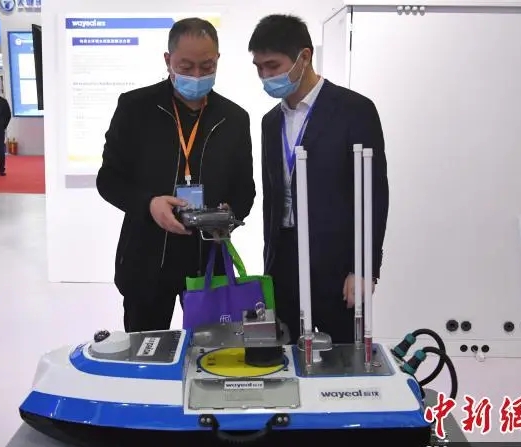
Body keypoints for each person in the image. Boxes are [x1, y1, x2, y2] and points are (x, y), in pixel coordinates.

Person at [97, 17, 256, 333]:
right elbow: (109, 179)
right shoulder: (135, 108)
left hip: (207, 260)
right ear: (168, 60)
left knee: (209, 352)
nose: (196, 75)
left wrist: (229, 214)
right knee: (146, 350)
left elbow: (245, 189)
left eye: (206, 66)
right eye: (186, 66)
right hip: (146, 257)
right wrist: (149, 204)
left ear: (218, 60)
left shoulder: (234, 118)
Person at [248, 14, 389, 344]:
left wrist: (364, 267)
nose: (266, 76)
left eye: (273, 66)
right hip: (283, 261)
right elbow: (274, 197)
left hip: (337, 263)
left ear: (304, 57)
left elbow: (373, 194)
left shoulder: (354, 110)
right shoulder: (271, 121)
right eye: (259, 68)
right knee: (286, 353)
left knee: (337, 357)